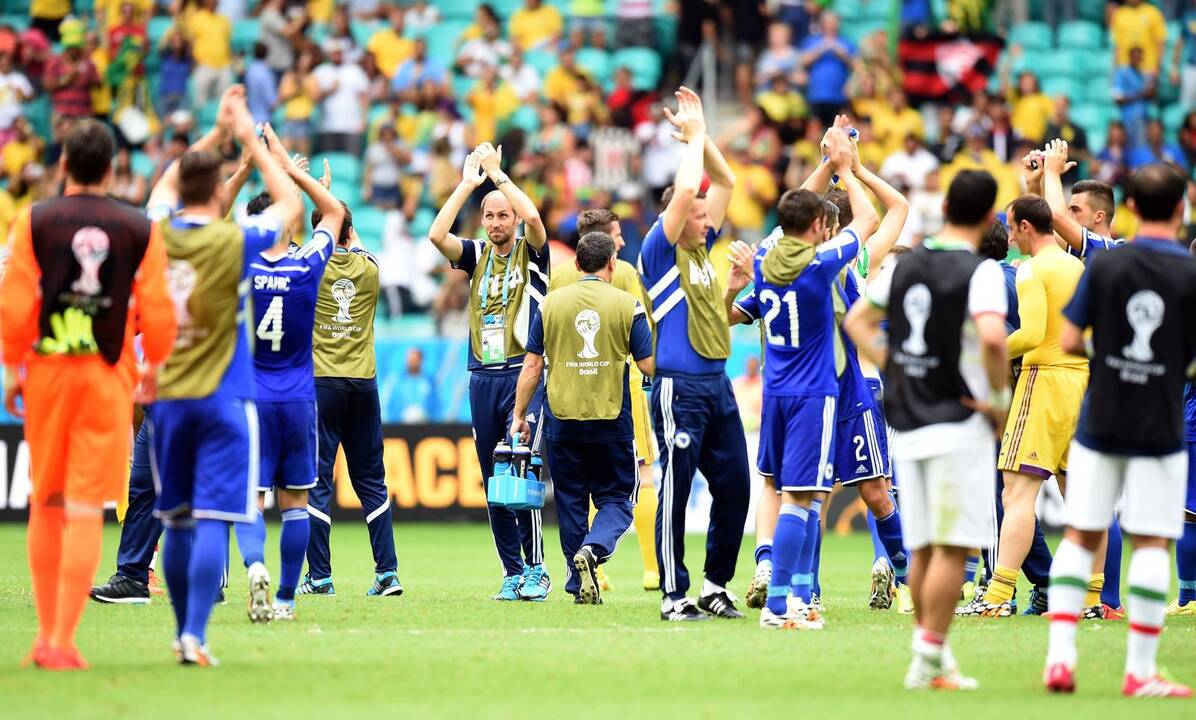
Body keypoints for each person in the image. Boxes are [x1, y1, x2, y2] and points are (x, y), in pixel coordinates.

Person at [1, 119, 175, 669]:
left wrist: (11, 367)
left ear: (62, 166)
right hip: (108, 377)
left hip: (49, 375)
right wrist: (156, 368)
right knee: (81, 507)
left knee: (45, 502)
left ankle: (44, 640)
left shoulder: (32, 221)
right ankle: (64, 642)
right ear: (112, 170)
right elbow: (161, 309)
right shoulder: (139, 228)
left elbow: (14, 303)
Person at [143, 85, 300, 666]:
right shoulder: (235, 240)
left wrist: (211, 135)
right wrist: (251, 138)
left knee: (177, 519)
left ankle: (181, 631)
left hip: (169, 398)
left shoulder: (157, 234)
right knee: (215, 516)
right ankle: (195, 638)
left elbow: (161, 188)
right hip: (228, 398)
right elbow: (287, 207)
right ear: (218, 192)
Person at [845, 169, 1011, 690]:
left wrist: (893, 368)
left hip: (908, 420)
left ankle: (933, 660)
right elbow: (991, 337)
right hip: (958, 420)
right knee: (953, 549)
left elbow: (856, 323)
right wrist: (998, 401)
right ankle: (926, 655)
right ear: (988, 217)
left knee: (921, 548)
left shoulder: (908, 264)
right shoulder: (980, 271)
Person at [1043, 163, 1196, 699]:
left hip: (1100, 420)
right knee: (1152, 542)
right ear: (1182, 208)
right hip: (1161, 426)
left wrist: (1109, 361)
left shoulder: (1107, 265)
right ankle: (1140, 671)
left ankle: (1060, 660)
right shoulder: (1190, 273)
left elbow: (1068, 338)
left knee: (1081, 535)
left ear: (1130, 205)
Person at [741, 129, 879, 630]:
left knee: (782, 491)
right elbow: (867, 219)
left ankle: (793, 598)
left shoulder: (762, 260)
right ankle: (782, 606)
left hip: (775, 392)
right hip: (812, 395)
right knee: (803, 498)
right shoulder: (820, 265)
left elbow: (791, 210)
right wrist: (844, 165)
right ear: (819, 224)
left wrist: (822, 168)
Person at [637, 87, 748, 621]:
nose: (709, 222)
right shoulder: (658, 253)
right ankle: (673, 595)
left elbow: (724, 181)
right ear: (678, 219)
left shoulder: (703, 253)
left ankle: (714, 585)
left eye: (707, 217)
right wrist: (696, 135)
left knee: (735, 486)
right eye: (700, 217)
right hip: (678, 388)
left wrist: (705, 143)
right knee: (676, 490)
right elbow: (687, 191)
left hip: (717, 384)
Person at [428, 142, 552, 601]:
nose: (497, 222)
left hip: (524, 371)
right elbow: (437, 235)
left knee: (521, 466)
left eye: (504, 215)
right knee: (493, 477)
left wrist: (500, 176)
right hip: (482, 374)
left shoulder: (533, 254)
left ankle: (538, 569)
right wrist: (467, 185)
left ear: (513, 219)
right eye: (490, 216)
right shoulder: (477, 255)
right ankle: (512, 570)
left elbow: (537, 221)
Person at [956, 195, 1087, 618]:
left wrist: (979, 353)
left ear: (1027, 227)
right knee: (1082, 497)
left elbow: (1029, 335)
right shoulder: (1074, 264)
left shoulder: (1032, 269)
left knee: (1016, 492)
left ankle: (997, 594)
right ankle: (1092, 597)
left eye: (1012, 227)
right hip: (1080, 380)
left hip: (1043, 379)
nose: (1010, 236)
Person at [232, 128, 342, 620]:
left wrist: (255, 158)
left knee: (251, 499)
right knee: (295, 502)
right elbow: (336, 213)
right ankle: (285, 600)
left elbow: (212, 216)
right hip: (298, 397)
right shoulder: (307, 268)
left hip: (250, 397)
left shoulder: (240, 265)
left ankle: (255, 564)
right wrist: (294, 173)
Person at [511, 231, 654, 604]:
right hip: (611, 420)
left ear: (576, 265)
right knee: (618, 500)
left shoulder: (550, 304)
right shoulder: (628, 304)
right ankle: (595, 549)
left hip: (561, 419)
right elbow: (647, 364)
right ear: (612, 264)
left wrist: (519, 415)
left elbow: (531, 365)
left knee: (571, 501)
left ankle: (577, 586)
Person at [300, 165, 402, 599]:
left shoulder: (309, 269)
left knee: (319, 482)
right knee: (372, 482)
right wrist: (337, 210)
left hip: (323, 383)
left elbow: (298, 241)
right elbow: (352, 239)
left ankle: (320, 576)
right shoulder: (370, 269)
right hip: (364, 384)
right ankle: (388, 574)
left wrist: (318, 199)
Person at [549, 208, 660, 592]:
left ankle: (586, 570)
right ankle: (651, 568)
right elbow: (643, 335)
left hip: (564, 395)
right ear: (609, 253)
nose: (623, 242)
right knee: (638, 479)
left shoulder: (561, 274)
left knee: (574, 492)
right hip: (618, 390)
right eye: (617, 236)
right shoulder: (625, 273)